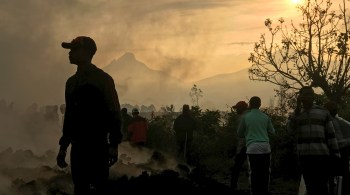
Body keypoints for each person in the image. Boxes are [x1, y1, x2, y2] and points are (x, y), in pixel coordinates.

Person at [56, 36, 122, 195]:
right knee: (80, 188)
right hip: (78, 147)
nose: (69, 53)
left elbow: (114, 111)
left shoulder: (102, 80)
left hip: (97, 145)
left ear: (86, 52)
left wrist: (113, 145)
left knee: (99, 187)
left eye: (74, 49)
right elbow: (69, 117)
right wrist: (63, 147)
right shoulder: (71, 83)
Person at [288, 86, 340, 195]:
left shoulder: (323, 112)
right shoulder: (297, 114)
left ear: (313, 96)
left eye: (310, 94)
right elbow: (290, 130)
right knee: (310, 187)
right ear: (300, 97)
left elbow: (331, 135)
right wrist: (297, 109)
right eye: (305, 94)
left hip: (321, 156)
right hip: (305, 157)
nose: (308, 96)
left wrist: (336, 155)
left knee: (322, 187)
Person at [237, 96, 275, 195]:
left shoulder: (246, 117)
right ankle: (264, 191)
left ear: (249, 104)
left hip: (252, 147)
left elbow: (239, 133)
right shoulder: (265, 117)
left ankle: (254, 192)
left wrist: (248, 134)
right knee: (265, 172)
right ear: (260, 104)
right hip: (265, 147)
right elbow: (272, 132)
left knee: (254, 172)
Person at [324, 100, 350, 195]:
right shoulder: (329, 121)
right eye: (333, 109)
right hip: (334, 151)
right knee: (336, 176)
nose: (335, 111)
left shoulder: (337, 119)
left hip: (340, 150)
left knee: (341, 176)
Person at [230, 101, 249, 191]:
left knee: (237, 167)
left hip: (244, 146)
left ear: (241, 108)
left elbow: (240, 135)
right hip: (254, 144)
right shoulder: (250, 116)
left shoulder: (241, 118)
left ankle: (233, 186)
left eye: (237, 108)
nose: (236, 110)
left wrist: (238, 149)